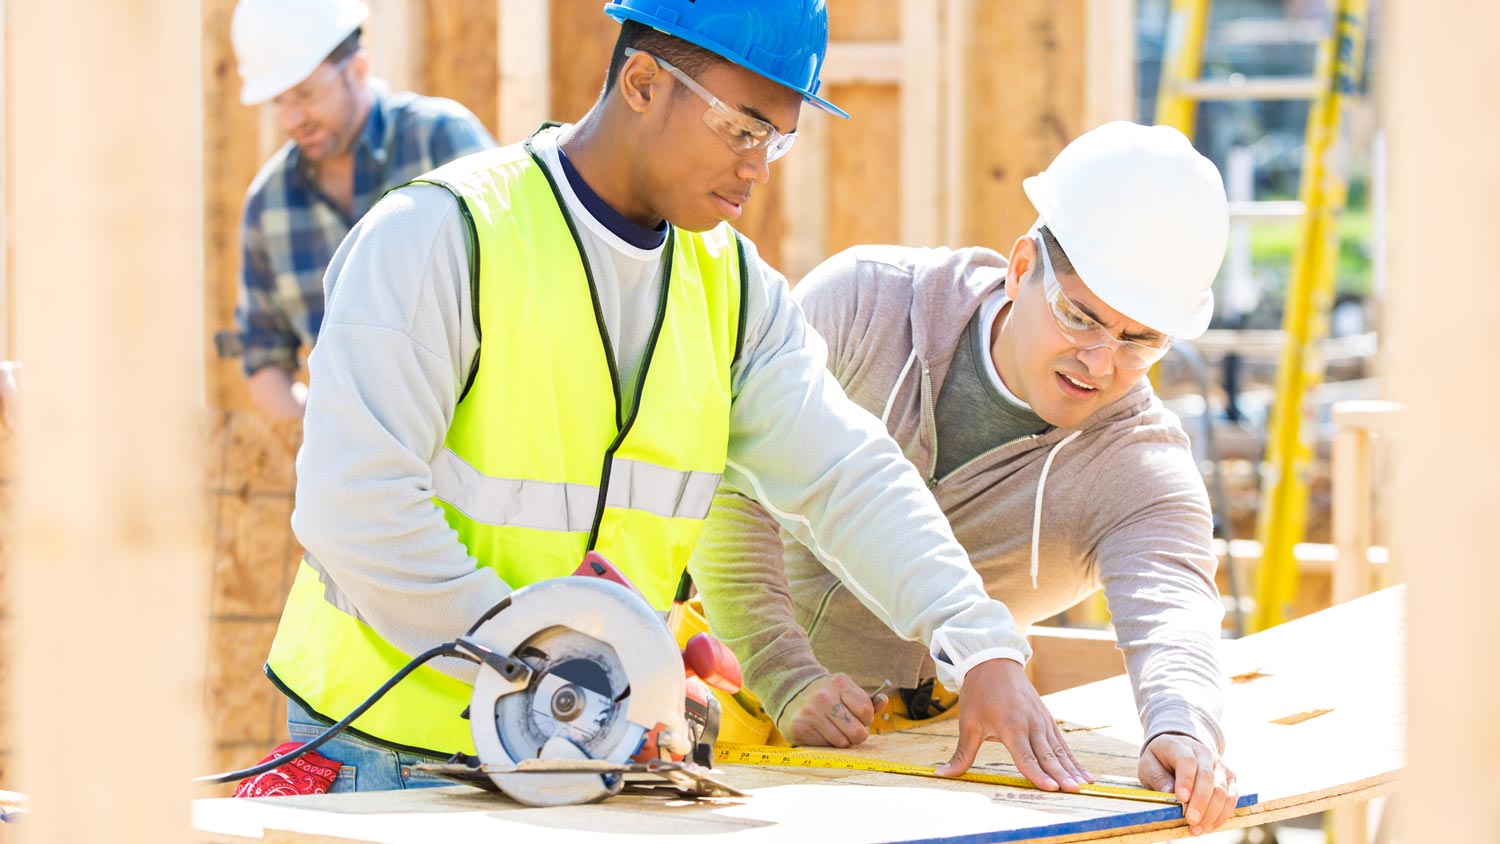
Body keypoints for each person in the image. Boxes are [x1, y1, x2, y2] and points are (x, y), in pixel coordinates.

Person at [264, 0, 1090, 795]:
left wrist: (981, 646)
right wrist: (550, 661)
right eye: (743, 128)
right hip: (387, 754)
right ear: (644, 83)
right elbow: (355, 504)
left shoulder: (731, 288)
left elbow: (845, 474)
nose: (757, 165)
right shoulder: (441, 237)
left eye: (779, 140)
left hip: (579, 757)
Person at [690, 122, 1240, 835]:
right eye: (1080, 317)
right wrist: (782, 669)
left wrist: (1183, 726)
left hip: (921, 735)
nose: (1100, 362)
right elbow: (730, 478)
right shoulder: (868, 306)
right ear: (1021, 267)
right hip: (727, 685)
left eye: (1140, 342)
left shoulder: (1137, 470)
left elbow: (1173, 612)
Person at [230, 0, 494, 419]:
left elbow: (516, 285)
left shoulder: (441, 141)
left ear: (358, 67)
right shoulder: (269, 201)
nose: (294, 117)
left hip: (473, 441)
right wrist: (323, 441)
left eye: (306, 93)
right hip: (356, 471)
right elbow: (263, 353)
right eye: (279, 101)